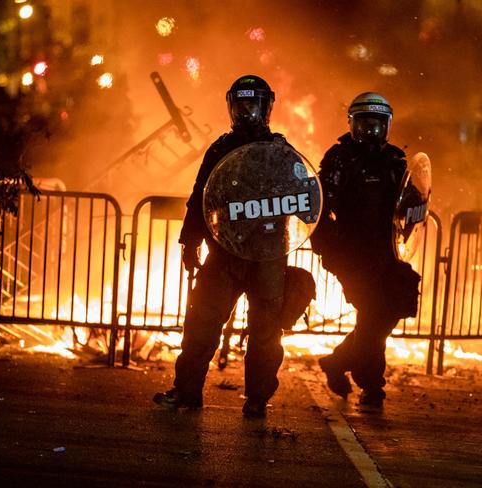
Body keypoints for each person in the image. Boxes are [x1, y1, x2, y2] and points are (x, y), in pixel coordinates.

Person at [153, 75, 290, 418]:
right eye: (240, 105)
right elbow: (201, 196)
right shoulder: (220, 149)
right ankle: (186, 393)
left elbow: (303, 199)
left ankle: (258, 399)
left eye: (252, 105)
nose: (245, 112)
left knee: (265, 333)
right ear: (231, 106)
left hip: (267, 255)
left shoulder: (280, 151)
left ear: (266, 107)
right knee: (201, 324)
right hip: (225, 251)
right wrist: (190, 240)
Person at [310, 92, 421, 408]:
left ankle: (338, 362)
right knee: (374, 313)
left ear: (386, 126)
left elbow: (410, 207)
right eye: (364, 125)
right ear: (353, 125)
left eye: (377, 125)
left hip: (387, 254)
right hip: (351, 254)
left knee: (391, 308)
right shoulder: (339, 160)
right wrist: (328, 245)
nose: (371, 132)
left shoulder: (395, 163)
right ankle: (372, 386)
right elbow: (319, 205)